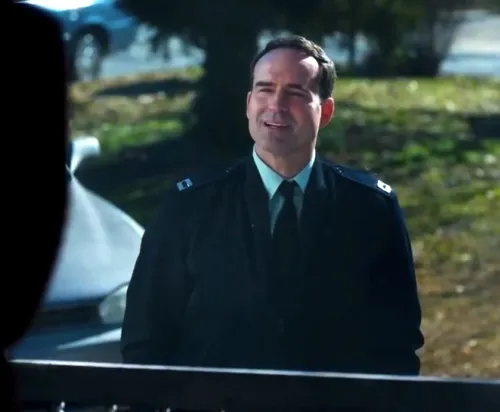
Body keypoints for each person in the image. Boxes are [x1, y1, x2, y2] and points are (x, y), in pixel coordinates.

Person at [121, 35, 424, 376]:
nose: (276, 105)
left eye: (295, 93)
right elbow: (145, 340)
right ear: (249, 103)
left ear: (325, 111)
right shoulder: (191, 206)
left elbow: (398, 348)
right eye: (265, 90)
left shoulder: (370, 209)